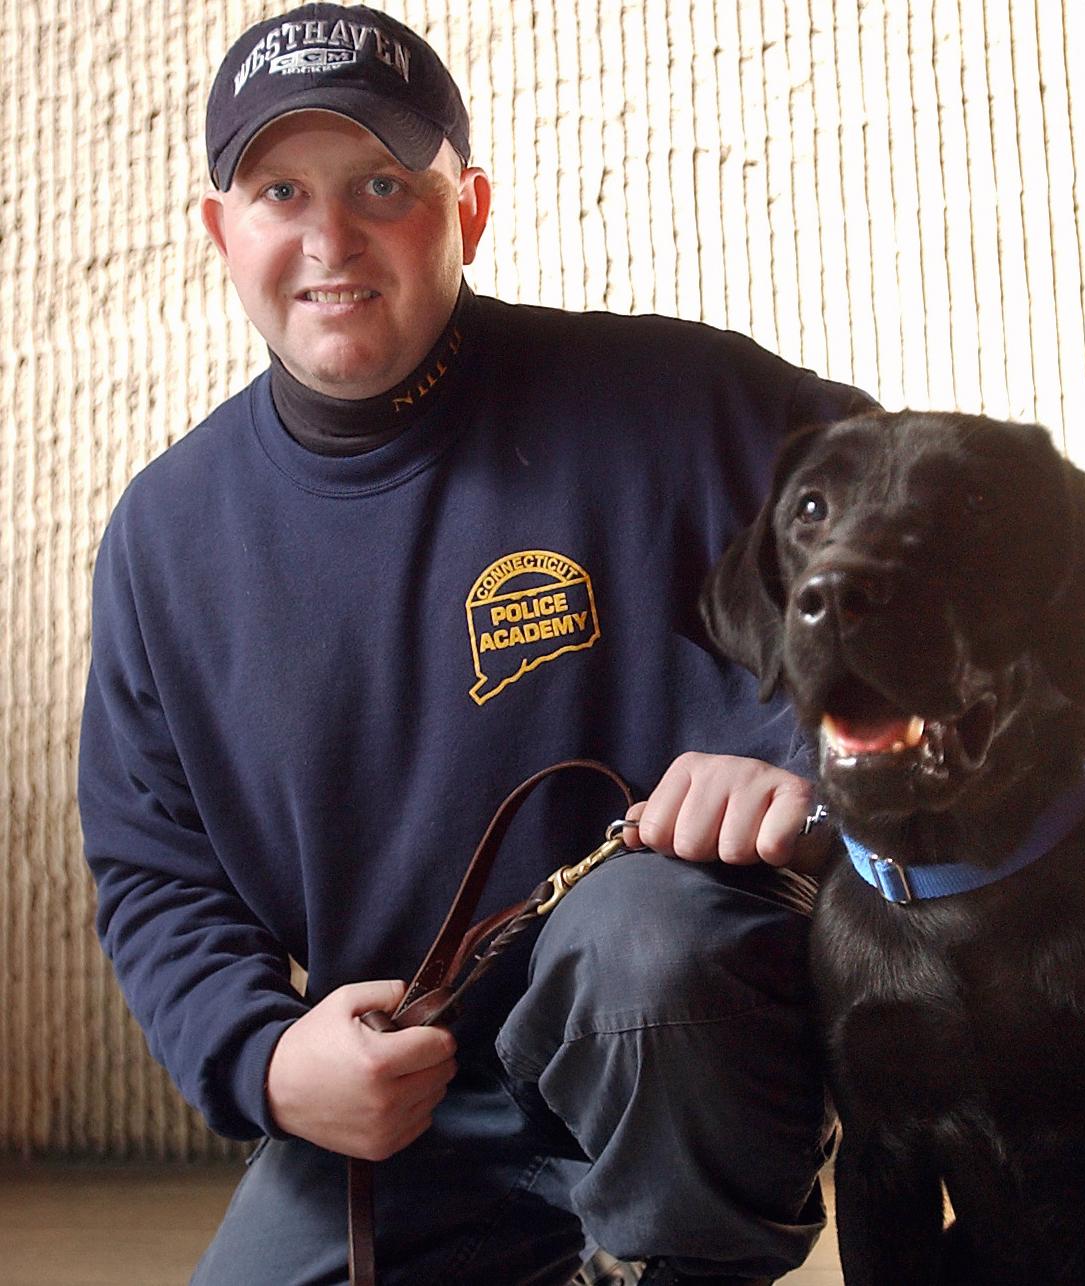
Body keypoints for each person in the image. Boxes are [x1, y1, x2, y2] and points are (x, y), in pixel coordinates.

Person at [78, 6, 870, 1283]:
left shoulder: (686, 405)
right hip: (407, 1105)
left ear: (469, 209)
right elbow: (156, 870)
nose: (330, 241)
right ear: (223, 231)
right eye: (281, 190)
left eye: (383, 184)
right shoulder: (167, 536)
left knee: (649, 937)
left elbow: (947, 554)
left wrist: (814, 756)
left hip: (675, 1056)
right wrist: (270, 1060)